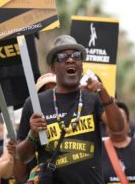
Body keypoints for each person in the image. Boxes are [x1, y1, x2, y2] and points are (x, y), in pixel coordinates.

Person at [17, 35, 124, 183]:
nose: (70, 60)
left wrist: (104, 93)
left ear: (81, 65)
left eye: (76, 55)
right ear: (53, 69)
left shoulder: (93, 98)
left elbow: (118, 127)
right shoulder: (34, 104)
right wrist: (33, 135)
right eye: (62, 57)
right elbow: (22, 157)